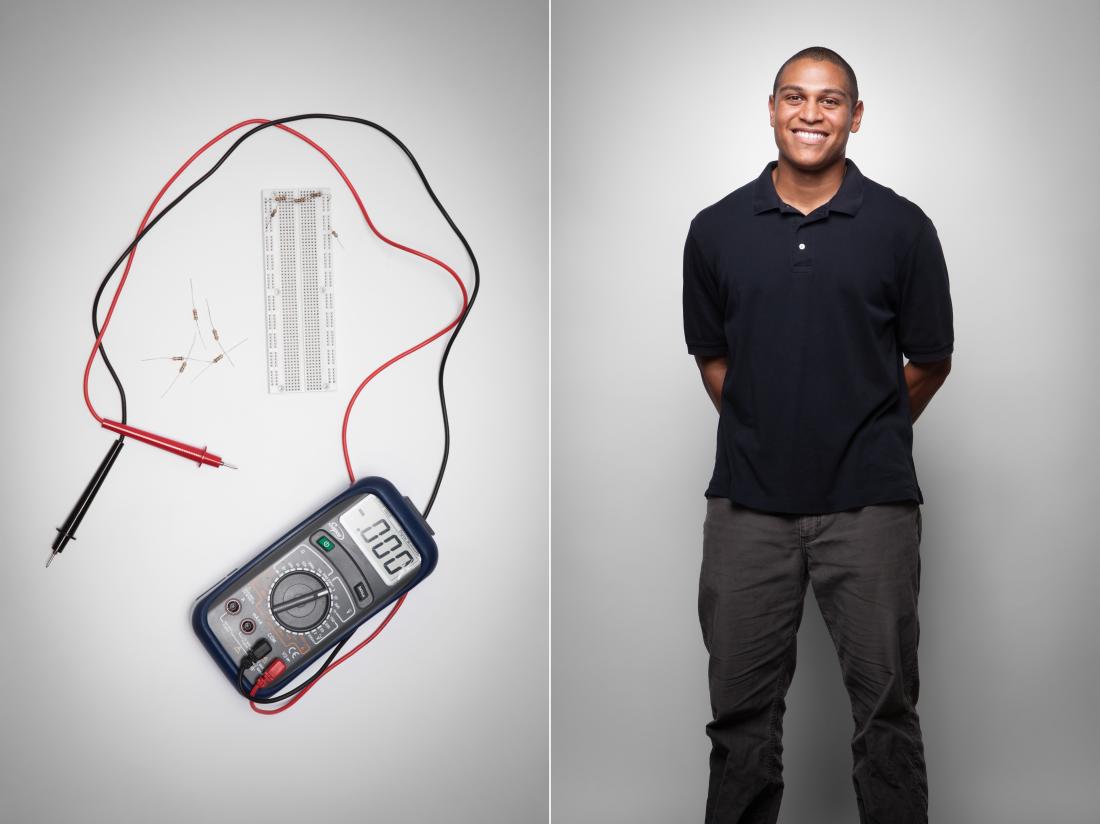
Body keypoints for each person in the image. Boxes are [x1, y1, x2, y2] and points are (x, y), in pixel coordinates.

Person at [681, 46, 953, 824]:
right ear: (771, 109)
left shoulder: (902, 228)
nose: (810, 113)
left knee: (887, 717)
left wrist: (855, 428)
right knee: (740, 723)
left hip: (871, 508)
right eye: (794, 98)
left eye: (829, 101)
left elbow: (930, 362)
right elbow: (714, 359)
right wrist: (775, 426)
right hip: (746, 510)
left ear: (855, 117)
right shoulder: (716, 230)